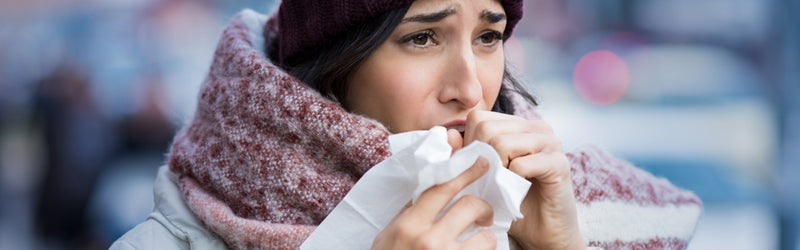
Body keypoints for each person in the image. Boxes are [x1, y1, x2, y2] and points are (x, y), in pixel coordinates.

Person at [112, 0, 703, 249]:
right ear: (334, 63)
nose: (471, 89)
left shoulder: (550, 200)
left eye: (488, 36)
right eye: (422, 37)